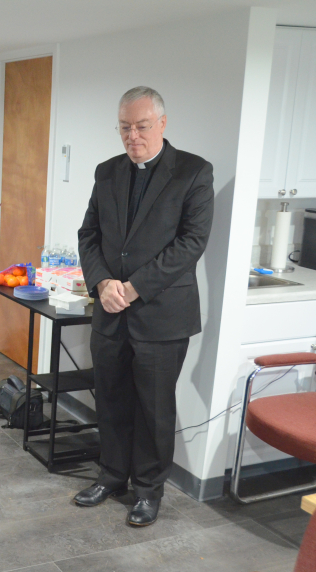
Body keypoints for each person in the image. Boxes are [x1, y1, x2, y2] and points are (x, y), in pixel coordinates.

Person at [75, 86, 214, 526]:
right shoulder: (107, 171)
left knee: (154, 408)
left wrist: (132, 287)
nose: (132, 135)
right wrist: (101, 283)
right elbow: (89, 235)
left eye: (141, 126)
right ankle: (112, 475)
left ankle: (149, 490)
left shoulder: (193, 172)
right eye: (124, 127)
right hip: (110, 310)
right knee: (112, 398)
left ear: (162, 124)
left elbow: (191, 243)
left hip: (161, 315)